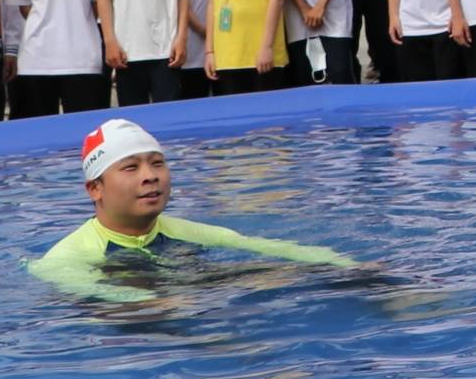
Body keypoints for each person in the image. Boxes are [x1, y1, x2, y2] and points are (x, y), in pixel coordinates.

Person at [31, 118, 357, 302]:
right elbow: (93, 292)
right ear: (95, 189)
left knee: (285, 276)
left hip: (188, 299)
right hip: (137, 337)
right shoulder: (64, 259)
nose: (151, 175)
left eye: (157, 163)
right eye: (131, 168)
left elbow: (270, 248)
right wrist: (161, 305)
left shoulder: (186, 231)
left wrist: (349, 267)